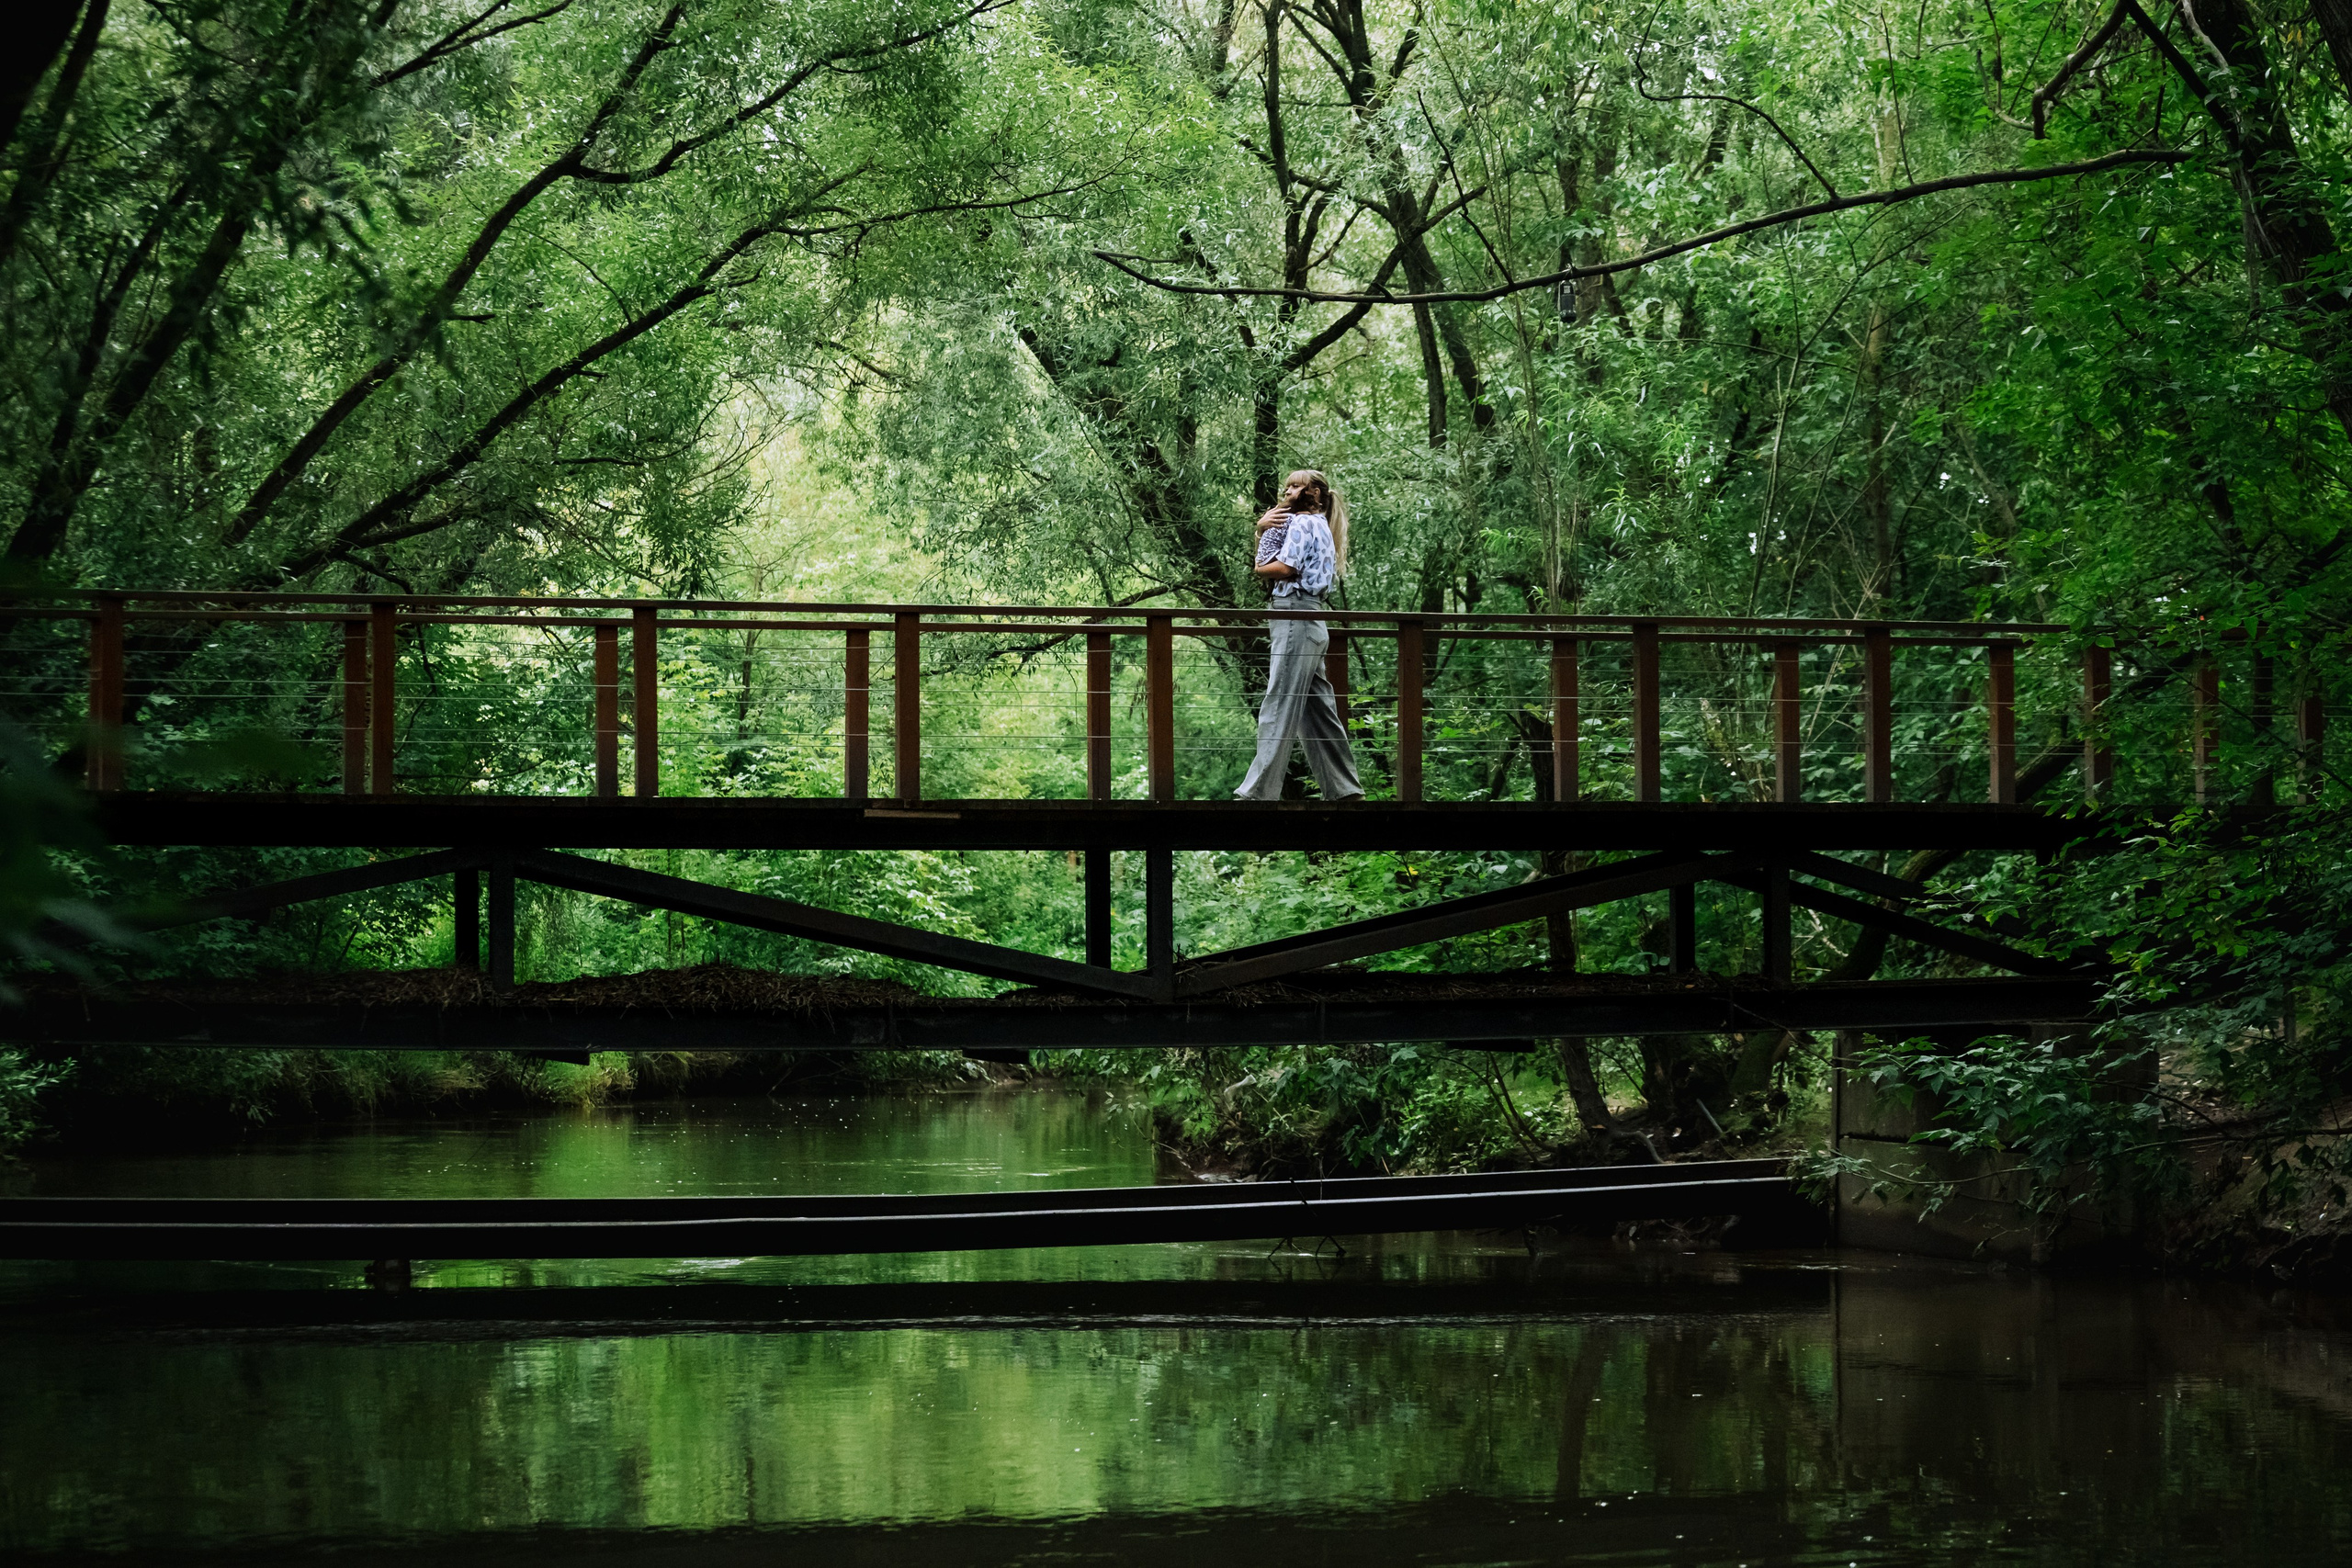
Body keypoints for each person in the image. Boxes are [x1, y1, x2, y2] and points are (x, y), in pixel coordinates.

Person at [1235, 468, 1364, 802]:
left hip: (1294, 614)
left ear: (1315, 493)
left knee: (1279, 701)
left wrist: (1260, 547)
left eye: (1296, 486)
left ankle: (1258, 793)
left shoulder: (1303, 523)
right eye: (1287, 485)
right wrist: (1262, 531)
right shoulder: (1319, 524)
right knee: (1317, 710)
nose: (1288, 491)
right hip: (1310, 618)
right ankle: (1345, 790)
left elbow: (1282, 568)